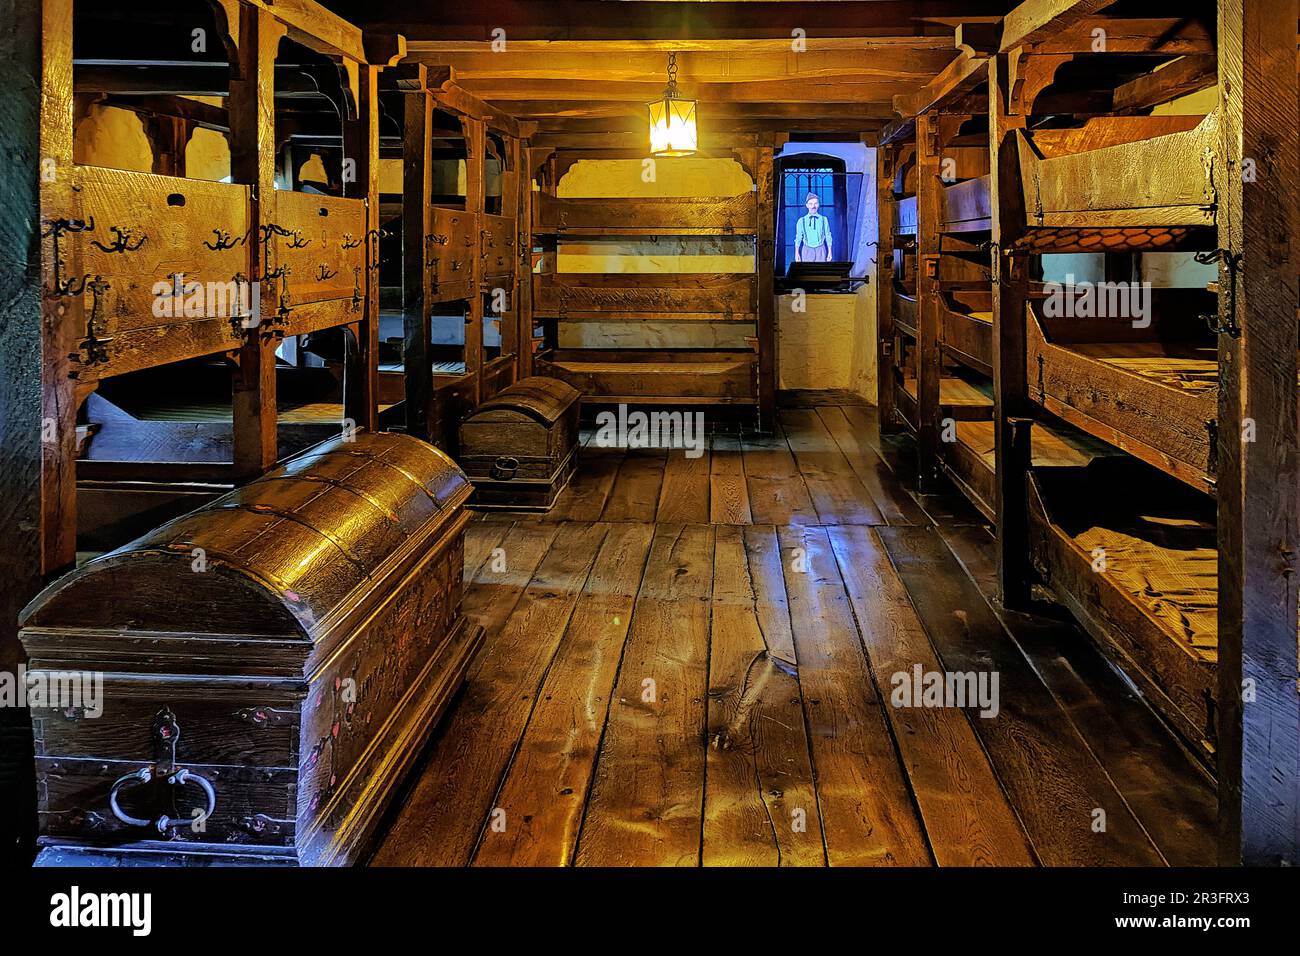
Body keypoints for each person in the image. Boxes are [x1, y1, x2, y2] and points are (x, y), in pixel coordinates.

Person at [794, 192, 832, 262]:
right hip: (807, 250)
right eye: (811, 204)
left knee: (820, 271)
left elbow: (828, 235)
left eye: (815, 203)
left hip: (821, 250)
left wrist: (830, 251)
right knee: (807, 271)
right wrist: (796, 253)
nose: (813, 206)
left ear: (818, 205)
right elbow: (798, 237)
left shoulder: (824, 219)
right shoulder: (801, 221)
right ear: (807, 205)